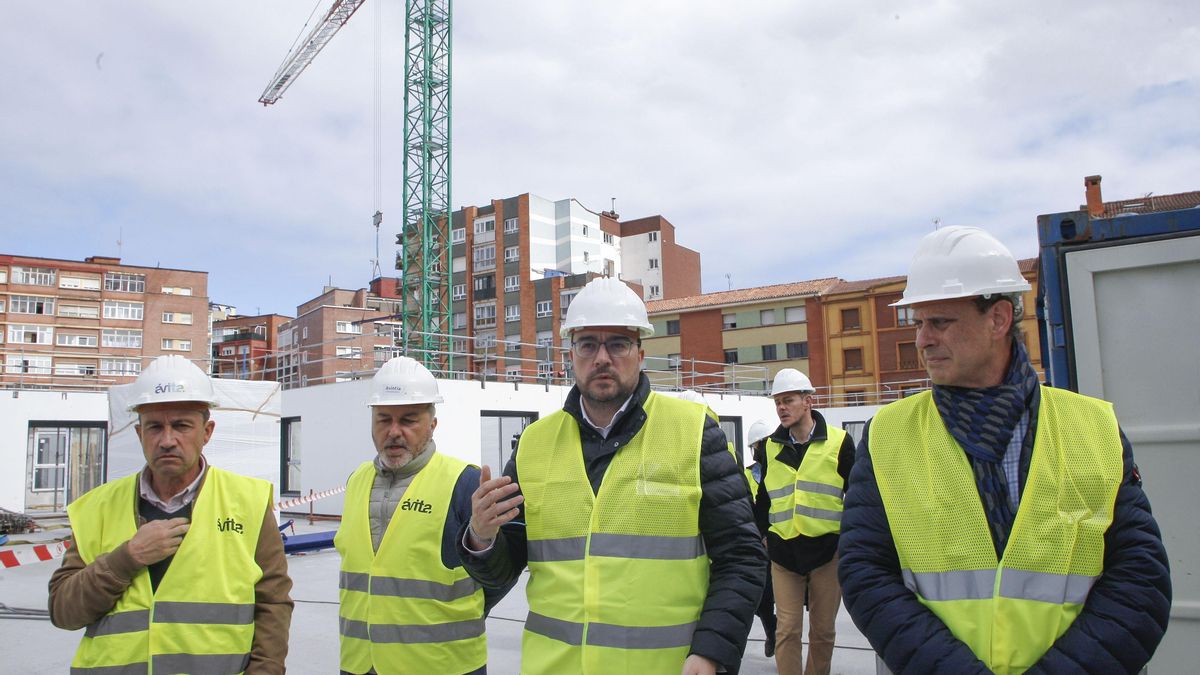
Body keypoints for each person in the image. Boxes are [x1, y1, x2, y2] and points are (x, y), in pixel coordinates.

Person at [839, 226, 1172, 674]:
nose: (922, 340)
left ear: (997, 319)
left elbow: (1141, 580)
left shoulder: (1092, 428)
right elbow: (866, 576)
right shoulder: (887, 435)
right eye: (918, 323)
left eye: (940, 322)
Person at [460, 277, 767, 675]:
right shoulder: (534, 443)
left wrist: (711, 651)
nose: (602, 357)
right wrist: (481, 538)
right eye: (588, 344)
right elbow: (505, 567)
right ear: (571, 354)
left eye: (617, 344)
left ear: (640, 353)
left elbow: (742, 557)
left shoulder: (694, 433)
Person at [49, 355, 293, 674]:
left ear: (207, 432)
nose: (167, 440)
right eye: (154, 427)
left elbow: (273, 604)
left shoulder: (248, 502)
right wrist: (127, 558)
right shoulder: (96, 508)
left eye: (181, 425)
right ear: (139, 435)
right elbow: (64, 612)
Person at [335, 356, 511, 675]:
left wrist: (483, 540)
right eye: (383, 419)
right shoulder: (356, 481)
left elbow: (499, 577)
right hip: (360, 664)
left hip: (442, 666)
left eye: (408, 420)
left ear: (432, 425)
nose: (394, 432)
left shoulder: (464, 483)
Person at [752, 369, 855, 675]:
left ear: (808, 401)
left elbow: (859, 495)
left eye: (788, 400)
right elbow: (763, 499)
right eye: (778, 402)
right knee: (787, 630)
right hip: (783, 555)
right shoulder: (769, 447)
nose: (782, 408)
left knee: (822, 633)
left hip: (827, 554)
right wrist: (763, 536)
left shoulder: (840, 443)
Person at [745, 418, 778, 658]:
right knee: (762, 596)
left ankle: (783, 636)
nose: (759, 450)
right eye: (757, 446)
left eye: (762, 444)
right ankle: (772, 630)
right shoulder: (747, 474)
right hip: (758, 544)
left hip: (781, 542)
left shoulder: (781, 468)